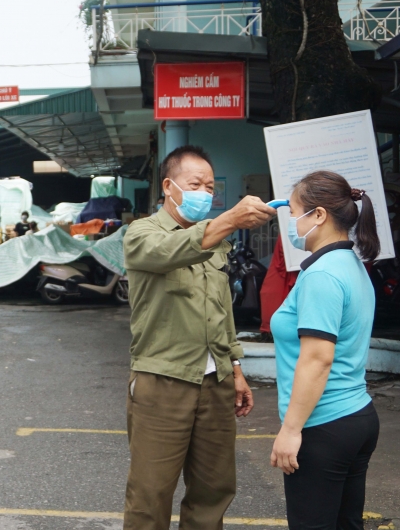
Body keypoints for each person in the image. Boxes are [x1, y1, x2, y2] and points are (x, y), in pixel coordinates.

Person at [122, 145, 276, 530]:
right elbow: (172, 251)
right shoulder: (142, 234)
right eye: (196, 184)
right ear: (170, 186)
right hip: (163, 380)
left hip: (216, 381)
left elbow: (220, 311)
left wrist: (236, 368)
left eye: (210, 187)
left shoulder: (216, 243)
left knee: (214, 491)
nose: (205, 194)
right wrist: (229, 220)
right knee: (150, 494)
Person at [269, 170, 380, 530]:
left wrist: (291, 429)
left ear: (318, 215)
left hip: (324, 425)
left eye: (294, 211)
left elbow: (318, 359)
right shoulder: (349, 264)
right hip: (356, 416)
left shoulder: (322, 275)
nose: (291, 222)